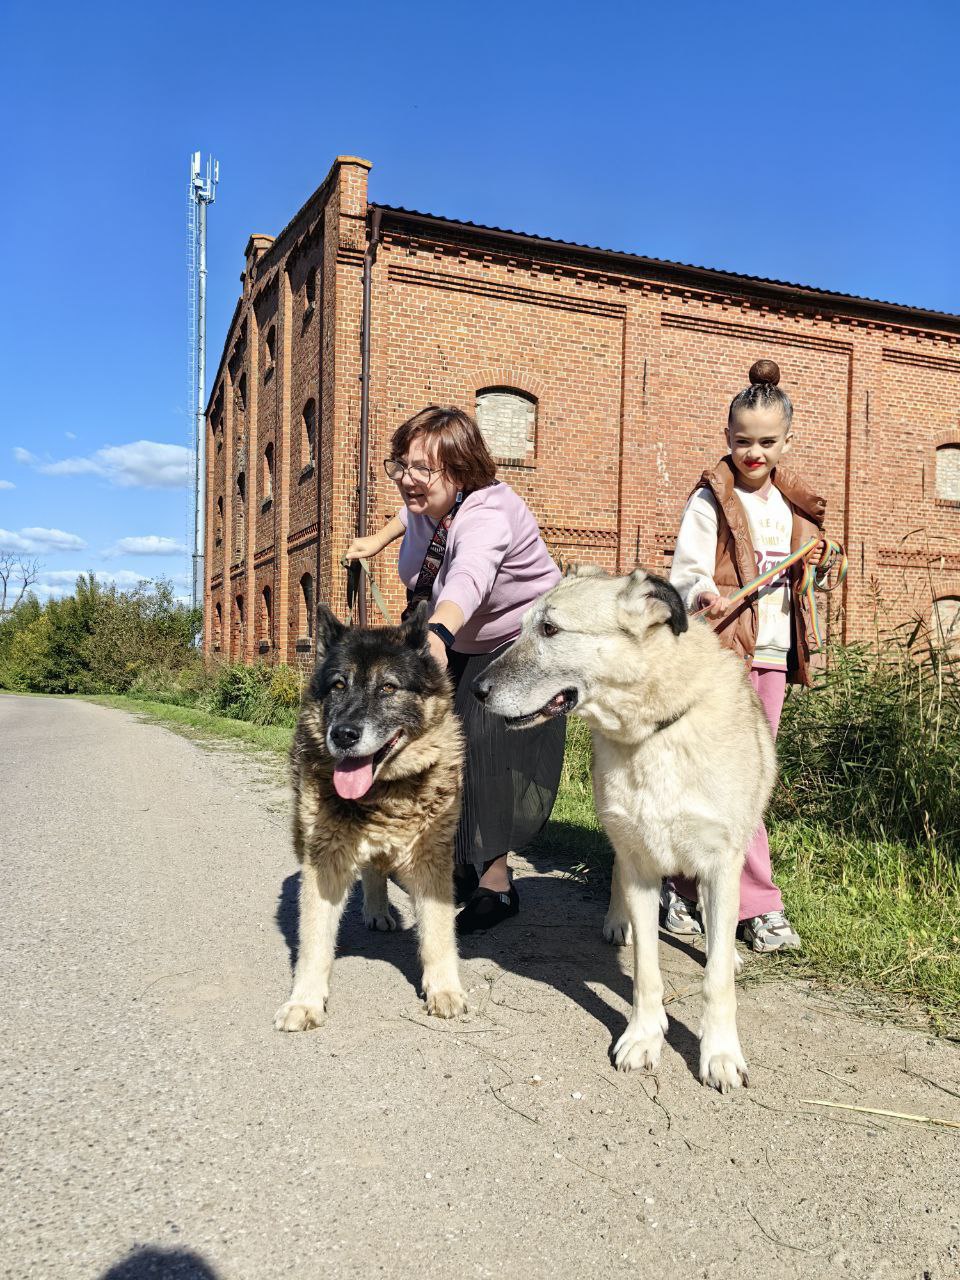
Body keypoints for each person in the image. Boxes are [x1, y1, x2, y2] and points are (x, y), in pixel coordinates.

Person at [345, 405, 565, 933]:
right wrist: (375, 542)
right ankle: (465, 860)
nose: (407, 480)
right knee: (442, 745)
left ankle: (497, 886)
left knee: (485, 747)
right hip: (461, 632)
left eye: (421, 469)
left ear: (461, 471)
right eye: (400, 465)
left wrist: (438, 636)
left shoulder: (486, 515)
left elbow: (470, 574)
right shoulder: (424, 501)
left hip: (518, 639)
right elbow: (408, 516)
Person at [666, 358, 835, 953]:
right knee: (731, 777)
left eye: (766, 441)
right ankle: (755, 905)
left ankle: (686, 887)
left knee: (740, 780)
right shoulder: (711, 501)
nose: (753, 452)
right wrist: (701, 591)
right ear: (727, 439)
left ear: (787, 441)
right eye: (743, 441)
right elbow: (685, 572)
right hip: (723, 658)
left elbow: (810, 579)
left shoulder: (796, 509)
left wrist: (819, 566)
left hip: (771, 659)